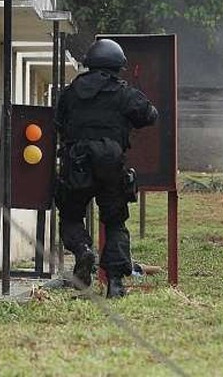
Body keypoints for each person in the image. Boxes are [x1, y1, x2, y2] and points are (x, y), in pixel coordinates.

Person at [55, 39, 158, 298]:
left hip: (77, 163)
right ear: (117, 65)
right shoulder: (124, 93)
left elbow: (58, 122)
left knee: (70, 215)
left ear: (89, 63)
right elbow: (150, 115)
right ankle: (115, 283)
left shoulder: (71, 91)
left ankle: (82, 251)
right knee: (114, 222)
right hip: (111, 165)